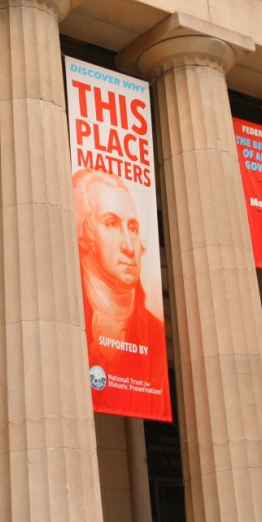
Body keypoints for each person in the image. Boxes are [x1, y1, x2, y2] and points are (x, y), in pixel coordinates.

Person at [73, 169, 169, 403]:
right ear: (85, 234)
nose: (129, 246)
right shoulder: (65, 319)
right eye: (112, 224)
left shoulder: (156, 334)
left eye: (133, 228)